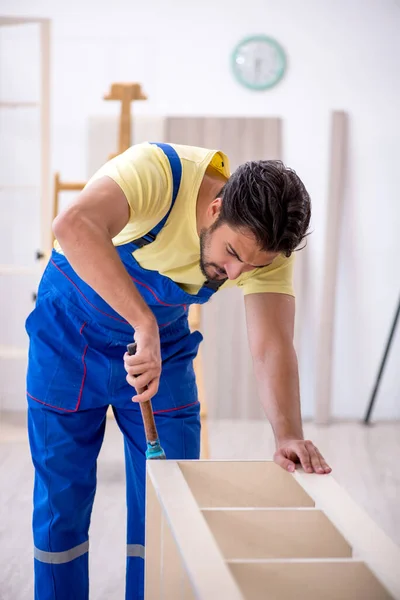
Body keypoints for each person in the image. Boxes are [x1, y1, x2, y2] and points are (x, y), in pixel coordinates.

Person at [26, 141, 331, 600]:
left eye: (252, 267)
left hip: (163, 348)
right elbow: (73, 225)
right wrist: (141, 319)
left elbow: (271, 344)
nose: (234, 274)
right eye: (231, 253)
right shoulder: (157, 173)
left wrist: (287, 434)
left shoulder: (267, 246)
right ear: (215, 207)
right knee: (61, 502)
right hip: (68, 338)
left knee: (170, 497)